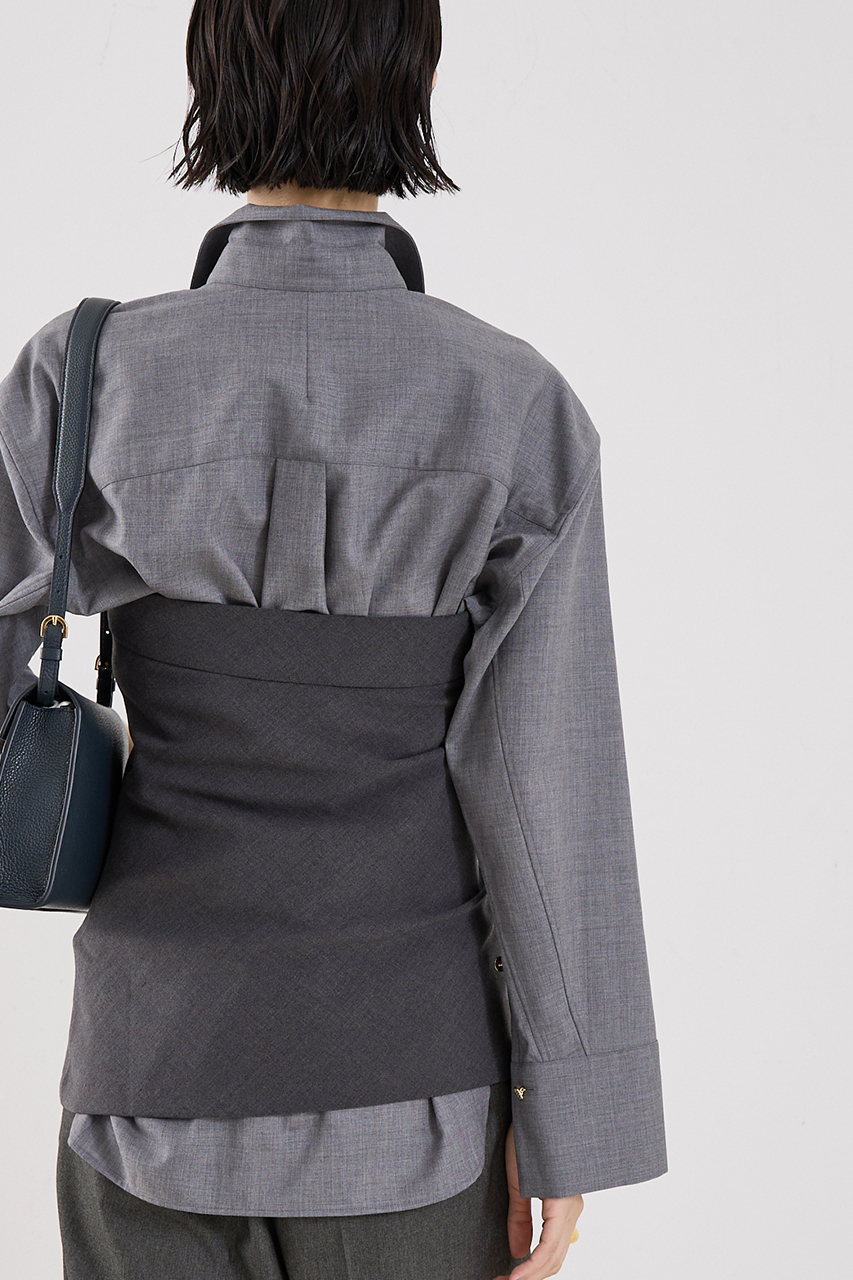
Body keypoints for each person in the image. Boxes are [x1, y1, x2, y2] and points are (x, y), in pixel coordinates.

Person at [0, 1, 667, 1277]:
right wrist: (570, 1126)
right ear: (414, 84)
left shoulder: (85, 378)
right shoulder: (513, 402)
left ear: (211, 84)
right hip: (414, 1100)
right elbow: (548, 791)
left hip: (148, 1079)